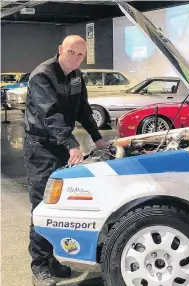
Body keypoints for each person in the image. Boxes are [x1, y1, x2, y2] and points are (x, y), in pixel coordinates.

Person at [23, 35, 108, 286]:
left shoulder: (76, 76)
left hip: (60, 147)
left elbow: (83, 109)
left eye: (81, 55)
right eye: (72, 52)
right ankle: (39, 265)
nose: (76, 58)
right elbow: (50, 115)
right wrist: (72, 145)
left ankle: (53, 259)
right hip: (40, 149)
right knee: (41, 205)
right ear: (61, 49)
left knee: (58, 206)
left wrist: (98, 138)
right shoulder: (42, 76)